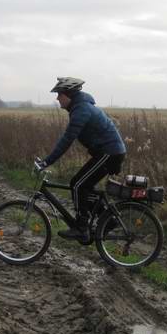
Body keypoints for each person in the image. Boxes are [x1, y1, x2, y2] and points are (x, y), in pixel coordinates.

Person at [37, 77, 126, 241]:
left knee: (77, 185)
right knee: (82, 186)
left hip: (109, 152)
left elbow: (67, 139)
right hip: (108, 152)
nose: (57, 99)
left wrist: (47, 161)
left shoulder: (81, 110)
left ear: (68, 95)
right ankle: (109, 220)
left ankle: (81, 227)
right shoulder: (80, 107)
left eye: (59, 94)